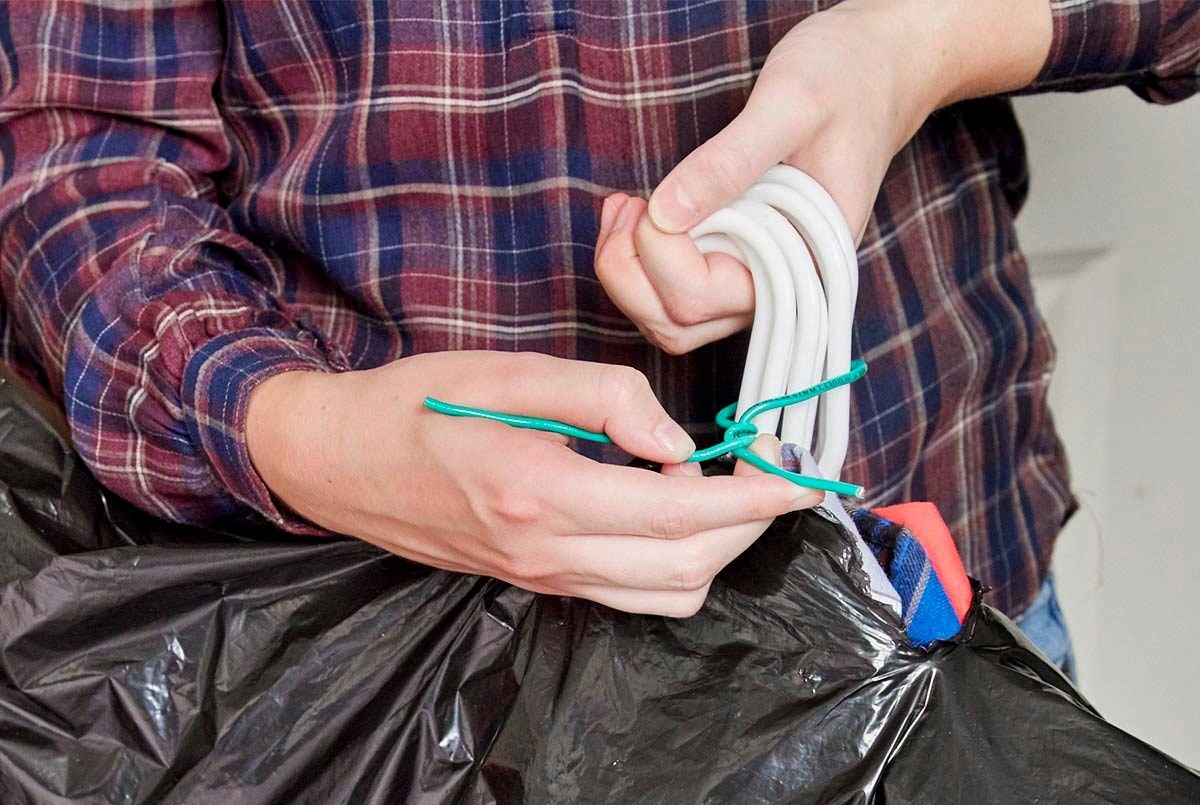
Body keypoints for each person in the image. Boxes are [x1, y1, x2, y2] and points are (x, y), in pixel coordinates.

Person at [0, 2, 1196, 652]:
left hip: (916, 583)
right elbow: (76, 156)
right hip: (383, 673)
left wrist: (913, 46)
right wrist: (306, 434)